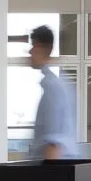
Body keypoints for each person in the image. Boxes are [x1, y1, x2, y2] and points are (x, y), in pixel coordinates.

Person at [28, 25, 77, 161]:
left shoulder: (53, 88)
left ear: (45, 48)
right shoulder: (58, 84)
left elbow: (53, 145)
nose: (30, 52)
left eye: (34, 46)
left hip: (52, 171)